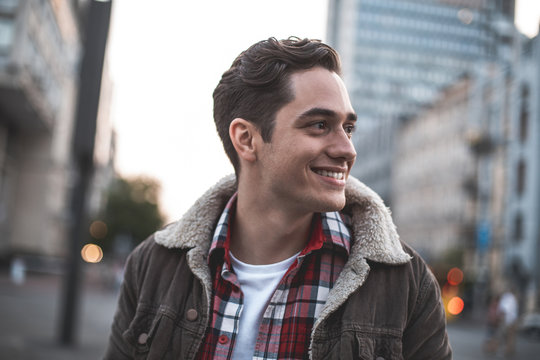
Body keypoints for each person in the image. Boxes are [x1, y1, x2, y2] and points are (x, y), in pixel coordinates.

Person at [104, 37, 452, 359]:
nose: (347, 149)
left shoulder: (405, 282)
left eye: (348, 128)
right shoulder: (154, 265)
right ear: (246, 139)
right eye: (319, 125)